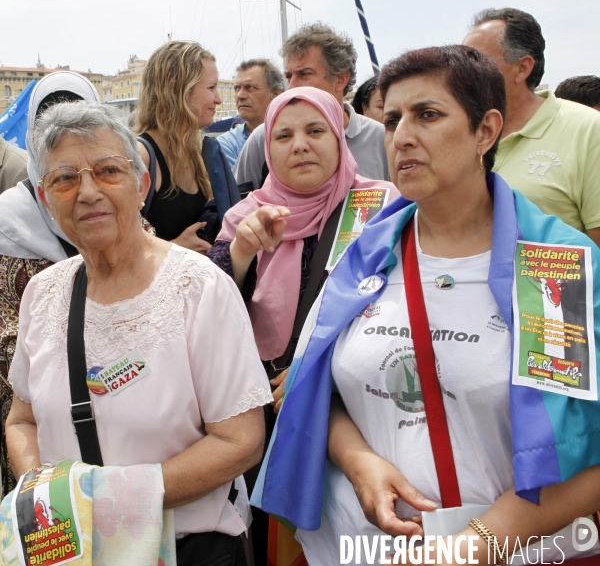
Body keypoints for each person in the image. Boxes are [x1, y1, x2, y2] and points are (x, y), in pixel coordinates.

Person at [251, 46, 600, 565]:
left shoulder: (553, 269)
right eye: (392, 120)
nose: (403, 136)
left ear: (486, 131)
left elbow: (589, 451)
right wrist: (359, 462)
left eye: (428, 115)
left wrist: (471, 547)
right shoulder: (362, 257)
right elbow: (315, 391)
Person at [6, 101, 271, 565]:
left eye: (108, 171)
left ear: (142, 184)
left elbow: (240, 440)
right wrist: (47, 504)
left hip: (189, 550)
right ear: (46, 199)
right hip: (75, 553)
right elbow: (22, 420)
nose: (88, 192)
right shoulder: (43, 294)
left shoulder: (199, 287)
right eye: (64, 179)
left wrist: (109, 503)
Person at [209, 86, 398, 566]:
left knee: (354, 523)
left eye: (316, 130)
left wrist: (312, 368)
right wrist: (242, 251)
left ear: (340, 139)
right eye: (284, 135)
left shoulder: (383, 208)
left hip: (354, 401)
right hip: (265, 403)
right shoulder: (244, 215)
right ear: (267, 148)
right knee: (279, 536)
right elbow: (212, 306)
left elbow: (397, 304)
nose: (300, 145)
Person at [0, 71, 103, 499]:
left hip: (123, 414)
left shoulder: (113, 204)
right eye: (51, 124)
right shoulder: (6, 222)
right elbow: (7, 339)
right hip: (35, 419)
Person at [463, 8, 600, 247]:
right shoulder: (460, 133)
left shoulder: (587, 130)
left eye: (477, 62)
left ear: (522, 68)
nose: (463, 75)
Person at [234, 23, 390, 189]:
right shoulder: (264, 137)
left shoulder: (381, 139)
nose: (292, 87)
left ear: (340, 79)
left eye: (304, 74)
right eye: (288, 76)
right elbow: (237, 203)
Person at [135, 40, 239, 253]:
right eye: (211, 87)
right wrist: (173, 249)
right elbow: (114, 251)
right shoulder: (141, 156)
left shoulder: (202, 152)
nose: (218, 99)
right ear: (176, 90)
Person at [217, 59, 285, 169]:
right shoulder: (226, 144)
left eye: (250, 88)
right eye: (237, 88)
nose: (240, 95)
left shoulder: (297, 138)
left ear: (276, 94)